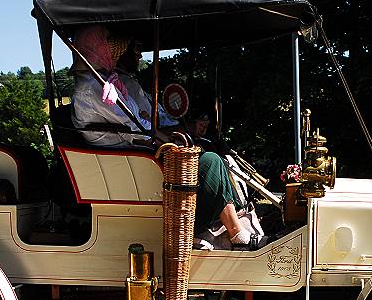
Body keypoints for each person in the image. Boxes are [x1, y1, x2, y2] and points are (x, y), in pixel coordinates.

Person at [70, 26, 256, 247]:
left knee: (211, 157)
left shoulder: (108, 84)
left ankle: (229, 224)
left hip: (135, 154)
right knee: (210, 161)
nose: (138, 54)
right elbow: (138, 127)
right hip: (130, 159)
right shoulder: (94, 89)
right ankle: (234, 232)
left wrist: (170, 135)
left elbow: (142, 121)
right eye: (133, 49)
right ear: (100, 51)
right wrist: (170, 140)